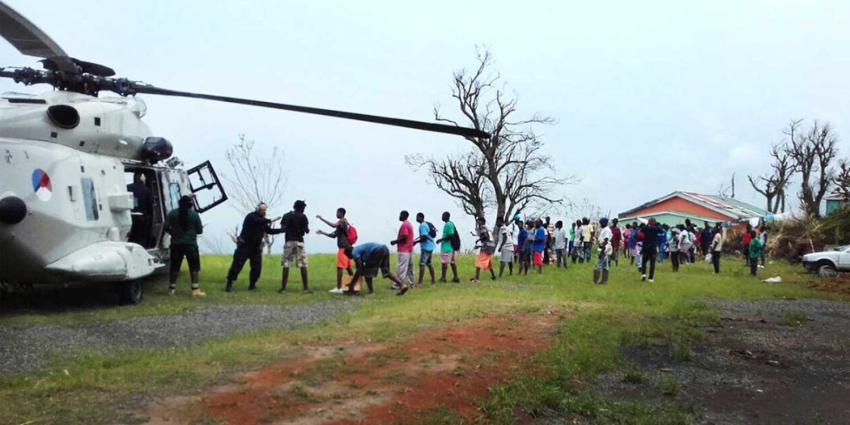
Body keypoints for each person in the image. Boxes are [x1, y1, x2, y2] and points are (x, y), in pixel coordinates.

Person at [226, 202, 283, 292]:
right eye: (261, 210)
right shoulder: (251, 216)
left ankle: (252, 284)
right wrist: (269, 220)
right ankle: (229, 283)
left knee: (257, 267)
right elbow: (257, 221)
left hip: (256, 247)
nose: (263, 212)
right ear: (257, 209)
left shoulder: (263, 220)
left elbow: (269, 231)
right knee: (237, 265)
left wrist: (281, 230)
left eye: (264, 210)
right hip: (245, 245)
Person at [165, 195, 206, 297]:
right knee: (194, 267)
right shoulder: (194, 215)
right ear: (190, 205)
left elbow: (166, 227)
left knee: (175, 267)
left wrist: (173, 233)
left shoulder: (173, 213)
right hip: (191, 244)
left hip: (176, 244)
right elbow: (200, 230)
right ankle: (195, 289)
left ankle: (172, 289)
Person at [344, 243, 409, 296]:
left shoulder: (354, 252)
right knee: (386, 272)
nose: (348, 258)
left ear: (349, 253)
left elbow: (359, 269)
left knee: (367, 273)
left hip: (377, 251)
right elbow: (360, 267)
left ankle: (371, 292)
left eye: (347, 256)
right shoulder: (358, 249)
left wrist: (352, 284)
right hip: (384, 248)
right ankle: (402, 285)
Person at [316, 207, 354, 294]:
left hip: (343, 248)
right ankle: (354, 284)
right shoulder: (344, 223)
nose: (336, 214)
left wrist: (321, 218)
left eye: (337, 212)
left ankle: (339, 288)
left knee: (339, 267)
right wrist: (322, 232)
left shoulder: (342, 221)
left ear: (341, 213)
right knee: (348, 267)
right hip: (348, 247)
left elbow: (333, 225)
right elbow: (333, 235)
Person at [279, 200, 311, 294]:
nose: (304, 209)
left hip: (289, 241)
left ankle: (283, 288)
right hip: (299, 242)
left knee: (286, 264)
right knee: (303, 265)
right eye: (304, 208)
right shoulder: (303, 217)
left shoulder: (286, 215)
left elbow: (282, 228)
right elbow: (307, 230)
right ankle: (305, 288)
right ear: (301, 207)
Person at [127, 172, 153, 247]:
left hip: (129, 216)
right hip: (142, 219)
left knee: (131, 238)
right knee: (141, 239)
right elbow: (150, 206)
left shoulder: (128, 187)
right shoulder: (147, 190)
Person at [390, 210, 415, 288]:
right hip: (409, 249)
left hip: (404, 249)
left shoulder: (404, 225)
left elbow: (404, 238)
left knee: (401, 268)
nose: (399, 216)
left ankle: (397, 284)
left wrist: (395, 241)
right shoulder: (409, 224)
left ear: (404, 216)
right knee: (410, 268)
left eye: (400, 215)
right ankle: (412, 283)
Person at [435, 211, 460, 283]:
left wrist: (441, 239)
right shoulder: (450, 224)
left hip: (447, 246)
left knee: (444, 263)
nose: (442, 217)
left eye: (443, 215)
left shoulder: (448, 224)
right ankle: (455, 277)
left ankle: (443, 278)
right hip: (451, 246)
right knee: (452, 262)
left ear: (447, 216)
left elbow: (451, 235)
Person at [413, 212, 437, 285]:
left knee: (422, 264)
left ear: (421, 217)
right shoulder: (425, 224)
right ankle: (433, 280)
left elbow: (424, 238)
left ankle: (420, 283)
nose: (416, 219)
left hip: (426, 247)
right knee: (429, 263)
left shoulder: (422, 225)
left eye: (417, 217)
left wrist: (416, 242)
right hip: (431, 246)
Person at [471, 216, 496, 282]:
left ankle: (477, 278)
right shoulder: (487, 228)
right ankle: (493, 276)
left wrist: (479, 240)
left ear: (481, 221)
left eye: (478, 221)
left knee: (479, 261)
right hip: (491, 246)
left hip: (486, 246)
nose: (477, 222)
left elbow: (485, 236)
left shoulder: (482, 228)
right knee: (489, 261)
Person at [593, 219, 613, 285]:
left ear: (604, 223)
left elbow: (606, 240)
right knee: (605, 266)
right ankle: (604, 281)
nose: (600, 224)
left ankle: (595, 281)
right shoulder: (604, 229)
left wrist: (602, 251)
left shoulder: (607, 230)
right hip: (603, 248)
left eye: (601, 223)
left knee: (598, 265)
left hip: (604, 248)